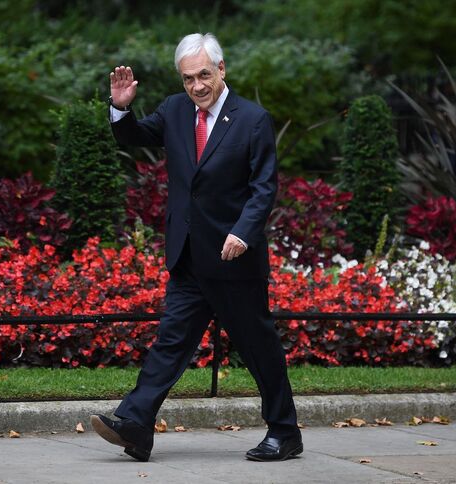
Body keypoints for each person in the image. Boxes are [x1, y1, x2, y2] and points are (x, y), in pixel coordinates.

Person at [90, 33, 301, 463]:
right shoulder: (174, 109)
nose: (197, 86)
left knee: (258, 346)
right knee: (171, 342)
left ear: (221, 70)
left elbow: (264, 188)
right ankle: (136, 424)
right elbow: (133, 137)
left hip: (233, 257)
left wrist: (243, 232)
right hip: (188, 256)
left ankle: (285, 432)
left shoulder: (253, 119)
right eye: (188, 79)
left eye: (204, 75)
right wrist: (121, 107)